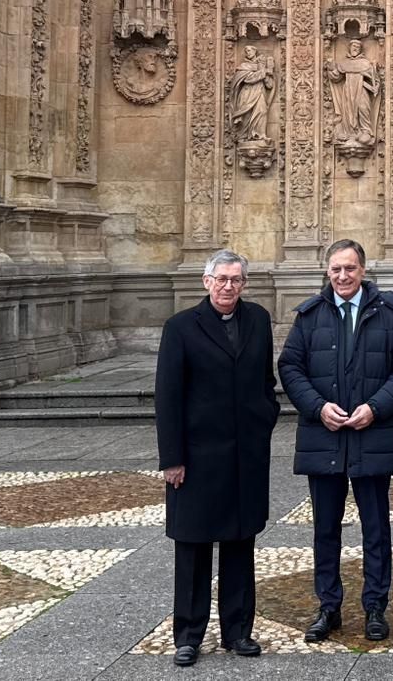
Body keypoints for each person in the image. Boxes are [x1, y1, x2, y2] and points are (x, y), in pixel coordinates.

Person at [278, 240, 393, 644]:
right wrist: (317, 407)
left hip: (372, 434)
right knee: (325, 529)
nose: (343, 276)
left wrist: (375, 407)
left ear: (363, 270)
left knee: (376, 528)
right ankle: (328, 606)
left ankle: (375, 607)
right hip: (323, 436)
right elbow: (290, 366)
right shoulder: (309, 315)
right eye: (337, 269)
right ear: (327, 271)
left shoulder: (390, 313)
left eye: (350, 268)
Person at [154, 250, 280, 669]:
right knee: (193, 545)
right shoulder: (180, 327)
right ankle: (189, 635)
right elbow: (167, 396)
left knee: (240, 541)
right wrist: (172, 458)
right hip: (196, 457)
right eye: (222, 279)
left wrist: (265, 417)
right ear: (206, 281)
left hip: (245, 453)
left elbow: (265, 379)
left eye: (236, 280)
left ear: (244, 283)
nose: (229, 286)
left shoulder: (258, 319)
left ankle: (238, 630)